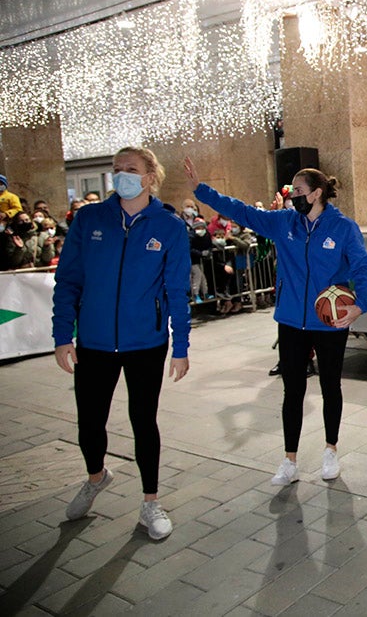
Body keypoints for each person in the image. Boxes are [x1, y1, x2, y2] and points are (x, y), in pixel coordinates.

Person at [184, 159, 367, 486]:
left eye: (297, 191)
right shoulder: (285, 222)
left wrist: (359, 306)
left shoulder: (343, 228)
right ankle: (290, 461)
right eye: (291, 191)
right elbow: (241, 211)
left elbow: (362, 269)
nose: (292, 196)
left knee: (331, 386)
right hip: (290, 321)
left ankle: (330, 450)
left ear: (316, 194)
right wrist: (202, 190)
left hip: (328, 321)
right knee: (293, 390)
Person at [52, 146, 191, 541]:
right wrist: (63, 335)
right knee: (90, 421)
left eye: (131, 169)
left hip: (145, 343)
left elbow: (177, 291)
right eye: (117, 169)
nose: (121, 175)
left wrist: (180, 346)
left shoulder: (168, 226)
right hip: (94, 342)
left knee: (143, 421)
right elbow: (68, 281)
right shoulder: (89, 219)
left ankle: (150, 502)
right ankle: (97, 476)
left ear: (150, 176)